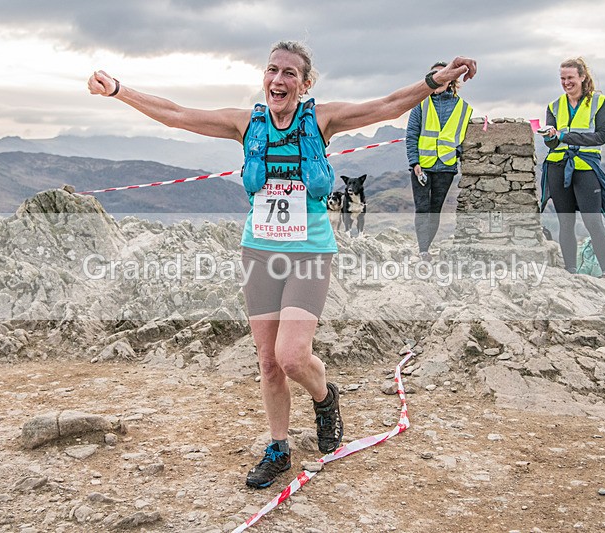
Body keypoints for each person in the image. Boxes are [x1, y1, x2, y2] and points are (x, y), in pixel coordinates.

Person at [88, 41, 476, 489]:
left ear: (305, 84)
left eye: (290, 73)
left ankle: (325, 395)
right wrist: (119, 90)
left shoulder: (322, 119)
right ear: (264, 78)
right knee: (268, 363)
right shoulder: (245, 124)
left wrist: (435, 82)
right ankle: (278, 447)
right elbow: (177, 113)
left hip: (310, 251)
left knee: (292, 356)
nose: (279, 79)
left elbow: (387, 105)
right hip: (259, 251)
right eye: (273, 70)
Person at [539, 57, 605, 281]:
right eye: (562, 78)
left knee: (592, 221)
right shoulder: (554, 106)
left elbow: (601, 137)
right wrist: (550, 137)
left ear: (582, 77)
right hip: (558, 166)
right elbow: (553, 144)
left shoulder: (598, 102)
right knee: (565, 222)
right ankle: (571, 271)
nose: (566, 83)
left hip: (585, 166)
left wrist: (564, 136)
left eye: (570, 78)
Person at [405, 61, 473, 262]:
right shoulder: (420, 105)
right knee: (422, 208)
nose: (438, 78)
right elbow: (412, 135)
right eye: (434, 75)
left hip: (446, 167)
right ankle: (423, 249)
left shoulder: (463, 108)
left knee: (435, 209)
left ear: (451, 78)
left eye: (443, 74)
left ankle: (426, 247)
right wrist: (414, 163)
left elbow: (465, 137)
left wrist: (457, 152)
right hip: (422, 167)